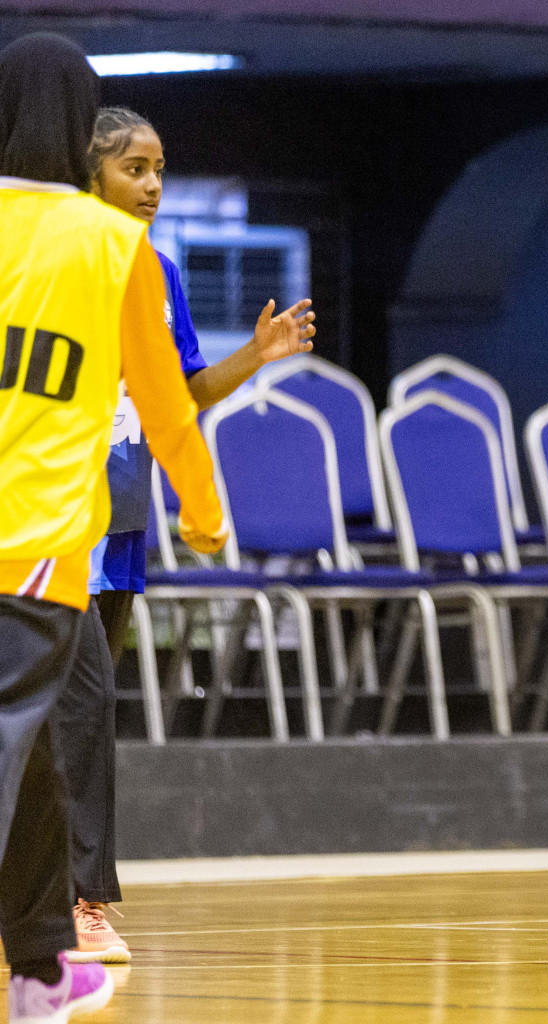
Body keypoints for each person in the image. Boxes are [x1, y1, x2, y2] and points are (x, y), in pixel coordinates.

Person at [0, 32, 226, 1022]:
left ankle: (44, 963)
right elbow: (166, 406)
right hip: (38, 550)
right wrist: (206, 511)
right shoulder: (110, 246)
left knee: (38, 753)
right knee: (19, 742)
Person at [56, 106, 316, 965]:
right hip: (48, 522)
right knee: (77, 714)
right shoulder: (52, 262)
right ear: (88, 171)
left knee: (81, 719)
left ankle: (65, 899)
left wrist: (257, 354)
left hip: (121, 529)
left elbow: (185, 394)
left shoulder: (159, 273)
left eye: (160, 167)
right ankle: (80, 902)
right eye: (135, 167)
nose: (154, 185)